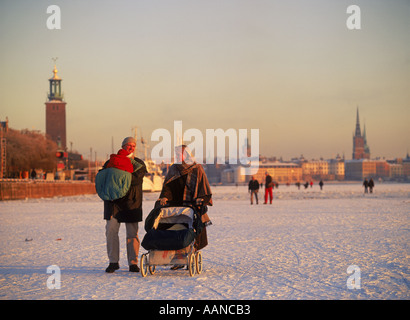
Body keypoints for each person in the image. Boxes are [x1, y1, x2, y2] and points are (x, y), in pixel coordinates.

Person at [157, 145, 212, 270]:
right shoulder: (173, 169)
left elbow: (204, 187)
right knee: (176, 232)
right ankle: (179, 259)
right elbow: (167, 188)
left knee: (191, 231)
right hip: (176, 206)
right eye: (175, 154)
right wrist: (165, 197)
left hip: (192, 206)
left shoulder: (197, 168)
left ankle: (190, 255)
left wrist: (201, 199)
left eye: (179, 154)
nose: (176, 156)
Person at [100, 137, 147, 273]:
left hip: (131, 203)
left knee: (132, 234)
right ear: (123, 146)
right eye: (128, 145)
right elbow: (105, 177)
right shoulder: (110, 161)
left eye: (133, 146)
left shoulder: (138, 163)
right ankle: (113, 262)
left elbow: (135, 180)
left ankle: (133, 263)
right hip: (113, 203)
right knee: (111, 232)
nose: (131, 148)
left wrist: (118, 175)